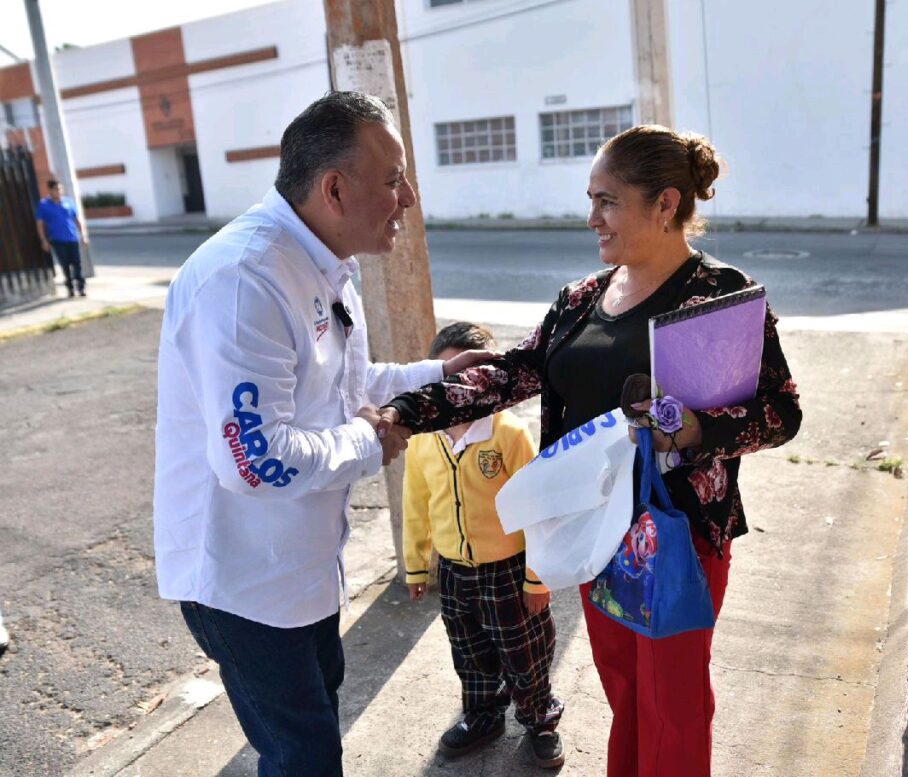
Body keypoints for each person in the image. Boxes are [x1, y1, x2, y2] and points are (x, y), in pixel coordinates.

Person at [379, 125, 802, 777]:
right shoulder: (581, 300)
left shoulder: (716, 294)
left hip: (674, 534)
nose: (591, 217)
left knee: (675, 705)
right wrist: (405, 411)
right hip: (596, 532)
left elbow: (779, 411)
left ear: (664, 204)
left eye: (607, 200)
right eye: (591, 198)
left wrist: (693, 426)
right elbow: (513, 371)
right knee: (626, 693)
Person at [152, 91, 494, 777]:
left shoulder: (325, 261)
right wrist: (376, 440)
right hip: (245, 582)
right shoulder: (247, 279)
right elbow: (255, 460)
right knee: (302, 756)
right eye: (394, 179)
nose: (409, 198)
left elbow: (352, 385)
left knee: (315, 727)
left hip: (302, 567)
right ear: (335, 188)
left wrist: (437, 372)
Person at [403, 322, 565, 768]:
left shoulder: (508, 435)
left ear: (489, 382)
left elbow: (538, 507)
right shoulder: (424, 436)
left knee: (525, 652)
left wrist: (538, 577)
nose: (459, 390)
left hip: (508, 571)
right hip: (455, 572)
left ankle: (539, 720)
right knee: (469, 651)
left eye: (471, 380)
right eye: (450, 379)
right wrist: (417, 566)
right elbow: (415, 502)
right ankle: (482, 716)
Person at [36, 179, 88, 297]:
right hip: (57, 239)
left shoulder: (68, 202)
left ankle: (81, 288)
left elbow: (76, 220)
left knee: (77, 263)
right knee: (65, 265)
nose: (59, 191)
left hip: (72, 238)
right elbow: (40, 224)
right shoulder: (43, 205)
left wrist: (83, 235)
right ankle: (70, 288)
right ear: (50, 190)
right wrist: (44, 240)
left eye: (60, 189)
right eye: (56, 189)